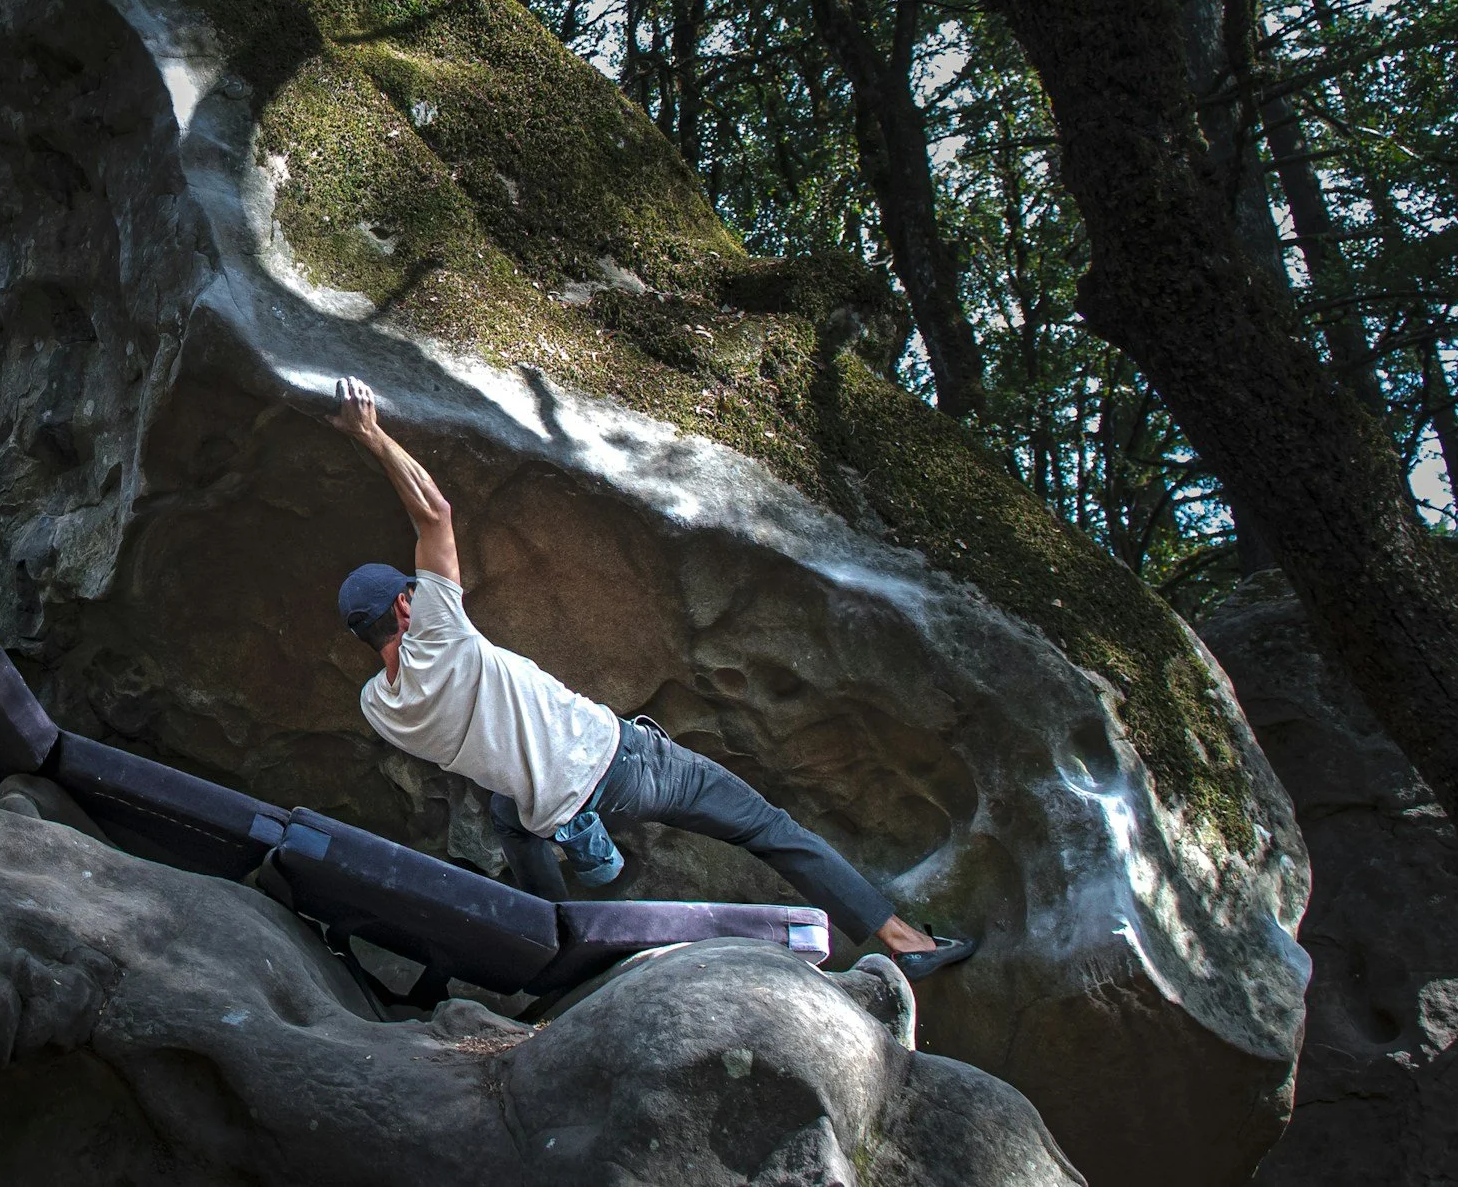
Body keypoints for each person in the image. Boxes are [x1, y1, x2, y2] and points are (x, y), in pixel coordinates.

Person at [325, 376, 977, 979]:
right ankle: (901, 941)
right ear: (408, 607)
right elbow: (434, 513)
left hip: (544, 803)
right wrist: (371, 434)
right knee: (769, 829)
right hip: (623, 766)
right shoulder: (441, 635)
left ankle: (550, 946)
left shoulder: (380, 707)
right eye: (416, 591)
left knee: (510, 813)